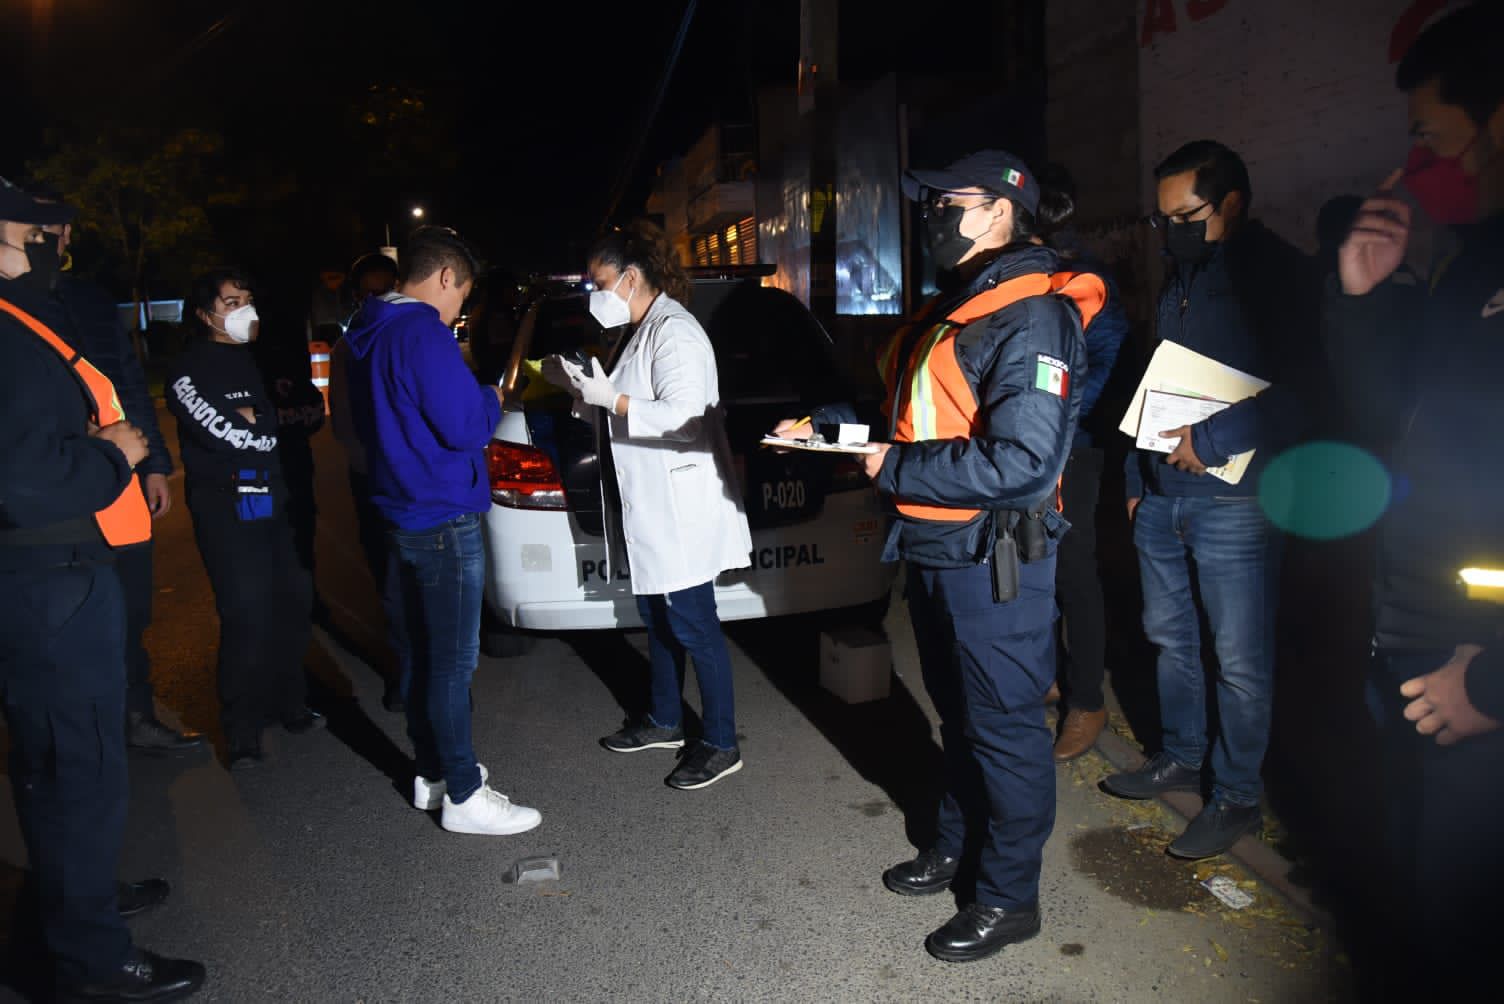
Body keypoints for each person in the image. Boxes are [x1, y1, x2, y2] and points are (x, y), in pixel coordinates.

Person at [776, 150, 1099, 962]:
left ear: (999, 211)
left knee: (1006, 731)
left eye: (949, 202)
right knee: (960, 720)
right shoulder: (959, 302)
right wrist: (827, 426)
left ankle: (1009, 897)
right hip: (935, 544)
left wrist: (895, 467)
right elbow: (907, 412)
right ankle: (958, 847)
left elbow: (1024, 463)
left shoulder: (1032, 316)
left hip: (995, 560)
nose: (933, 217)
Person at [1323, 4, 1504, 993]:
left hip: (1477, 677)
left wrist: (1490, 685)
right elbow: (1392, 423)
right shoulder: (1469, 263)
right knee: (1422, 914)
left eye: (1432, 132)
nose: (1421, 159)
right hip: (1410, 643)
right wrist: (1357, 295)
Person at [0, 178, 205, 1001]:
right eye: (32, 229)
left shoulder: (25, 316)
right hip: (47, 580)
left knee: (57, 767)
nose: (50, 242)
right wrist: (114, 452)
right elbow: (25, 479)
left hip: (49, 577)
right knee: (79, 770)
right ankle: (90, 958)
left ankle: (75, 905)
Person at [1099, 141, 1320, 859]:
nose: (1171, 231)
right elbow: (1154, 381)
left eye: (1185, 215)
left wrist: (1216, 439)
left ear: (1231, 203)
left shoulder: (1278, 276)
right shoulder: (1179, 278)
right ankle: (1182, 756)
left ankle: (1235, 797)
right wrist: (1137, 485)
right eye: (1162, 219)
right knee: (1172, 640)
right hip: (1163, 497)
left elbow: (1306, 393)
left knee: (1240, 659)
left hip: (1237, 501)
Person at [541, 220, 754, 791]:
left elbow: (685, 420)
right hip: (654, 508)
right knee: (659, 619)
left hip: (680, 512)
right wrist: (587, 397)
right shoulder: (640, 331)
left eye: (600, 280)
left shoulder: (674, 333)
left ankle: (721, 741)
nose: (595, 293)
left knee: (693, 624)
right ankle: (664, 718)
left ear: (631, 277)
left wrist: (611, 396)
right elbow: (632, 408)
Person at [344, 225, 541, 836]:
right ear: (446, 277)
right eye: (465, 295)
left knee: (425, 657)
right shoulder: (421, 332)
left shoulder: (366, 326)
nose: (463, 310)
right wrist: (488, 393)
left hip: (400, 508)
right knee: (452, 666)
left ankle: (431, 775)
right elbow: (465, 427)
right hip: (441, 514)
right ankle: (463, 792)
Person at [28, 188, 205, 756]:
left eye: (53, 230)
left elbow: (128, 385)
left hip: (120, 479)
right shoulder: (15, 312)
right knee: (63, 626)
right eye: (32, 231)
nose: (45, 241)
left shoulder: (90, 301)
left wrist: (154, 463)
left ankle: (133, 715)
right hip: (57, 492)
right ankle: (75, 737)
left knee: (130, 610)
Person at [165, 267, 323, 771]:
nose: (243, 311)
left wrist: (266, 419)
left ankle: (290, 703)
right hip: (229, 510)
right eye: (231, 302)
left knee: (293, 607)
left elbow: (310, 410)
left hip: (285, 502)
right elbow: (233, 434)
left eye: (247, 299)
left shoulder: (268, 356)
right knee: (247, 615)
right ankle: (242, 730)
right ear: (204, 312)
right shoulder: (189, 368)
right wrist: (269, 424)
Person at [1031, 163, 1130, 761]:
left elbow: (1107, 360)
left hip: (1075, 449)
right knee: (1034, 567)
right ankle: (1052, 675)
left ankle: (1088, 699)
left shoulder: (1085, 276)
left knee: (1074, 573)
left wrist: (1056, 427)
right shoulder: (1025, 271)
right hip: (1034, 450)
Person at [329, 251, 404, 712]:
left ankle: (440, 681)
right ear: (357, 297)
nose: (377, 300)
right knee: (391, 583)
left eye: (385, 290)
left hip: (412, 482)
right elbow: (344, 422)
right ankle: (405, 673)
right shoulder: (349, 346)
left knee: (421, 584)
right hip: (375, 480)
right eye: (369, 293)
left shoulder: (411, 336)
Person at [251, 296, 326, 606]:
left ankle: (305, 598)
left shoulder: (289, 366)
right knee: (260, 536)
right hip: (253, 471)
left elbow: (314, 411)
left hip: (293, 464)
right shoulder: (239, 366)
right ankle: (274, 599)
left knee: (300, 534)